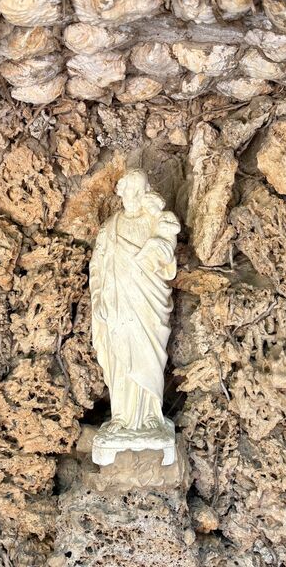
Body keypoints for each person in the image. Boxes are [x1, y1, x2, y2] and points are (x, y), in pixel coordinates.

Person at [89, 170, 180, 433]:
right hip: (117, 300)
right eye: (130, 189)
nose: (135, 195)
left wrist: (159, 231)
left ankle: (151, 413)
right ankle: (121, 416)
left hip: (147, 302)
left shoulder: (156, 220)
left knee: (148, 354)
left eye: (140, 190)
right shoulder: (109, 228)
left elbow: (166, 258)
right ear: (121, 191)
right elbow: (97, 267)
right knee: (120, 355)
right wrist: (98, 297)